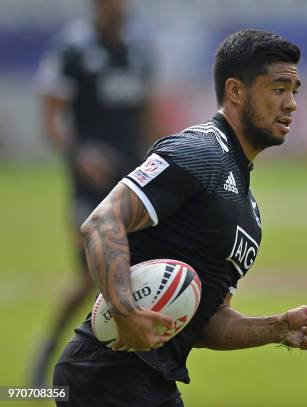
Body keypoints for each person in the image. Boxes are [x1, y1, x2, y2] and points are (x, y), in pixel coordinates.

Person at [52, 29, 307, 406]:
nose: (291, 104)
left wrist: (279, 328)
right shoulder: (198, 151)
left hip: (152, 384)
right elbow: (102, 223)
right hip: (104, 374)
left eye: (294, 90)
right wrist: (125, 311)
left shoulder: (250, 214)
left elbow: (207, 321)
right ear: (235, 91)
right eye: (278, 88)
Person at [32, 0, 159, 387]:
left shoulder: (139, 49)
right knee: (91, 276)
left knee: (140, 269)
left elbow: (146, 111)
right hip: (89, 187)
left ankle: (126, 366)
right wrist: (78, 152)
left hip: (132, 181)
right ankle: (50, 349)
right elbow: (51, 115)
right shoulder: (72, 49)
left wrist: (155, 155)